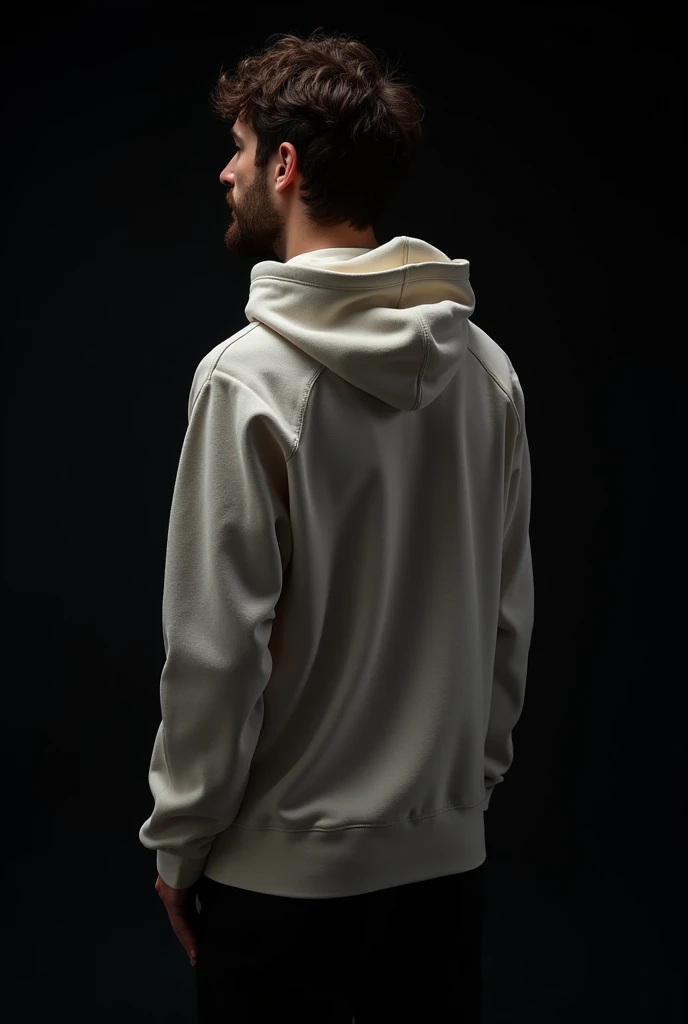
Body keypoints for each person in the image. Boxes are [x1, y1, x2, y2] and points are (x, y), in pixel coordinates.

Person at [139, 27, 535, 1024]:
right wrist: (452, 804)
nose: (223, 171)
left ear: (285, 164)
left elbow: (215, 653)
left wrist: (181, 843)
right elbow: (506, 623)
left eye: (237, 147)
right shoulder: (486, 372)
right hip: (443, 871)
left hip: (281, 887)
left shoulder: (246, 380)